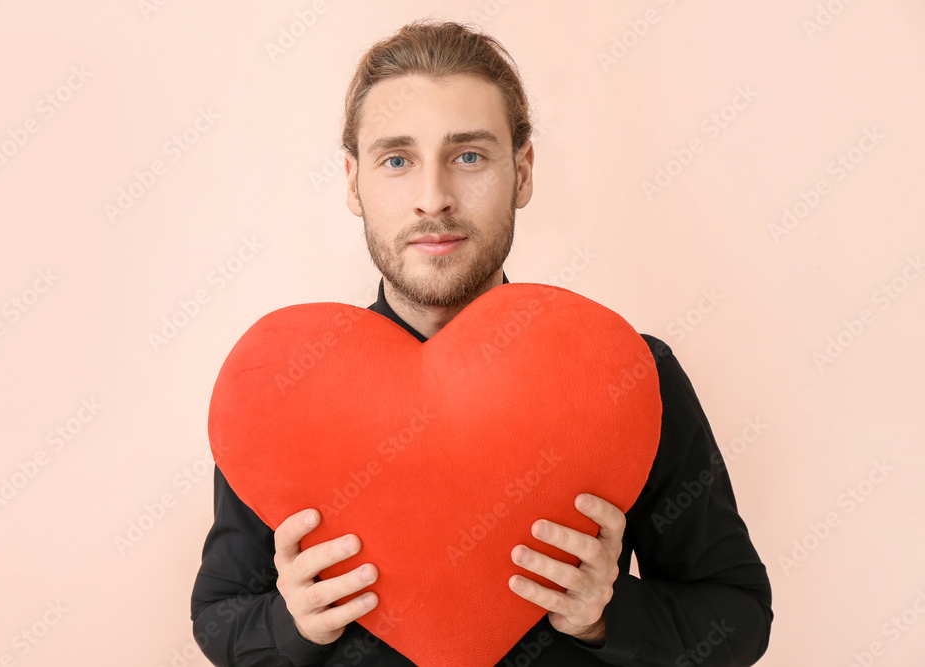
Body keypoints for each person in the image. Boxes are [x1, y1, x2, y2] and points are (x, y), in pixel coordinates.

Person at [191, 17, 773, 666]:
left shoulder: (631, 376)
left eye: (468, 155)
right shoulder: (281, 390)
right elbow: (218, 615)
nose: (433, 198)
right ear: (354, 182)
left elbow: (739, 614)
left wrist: (608, 615)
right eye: (397, 160)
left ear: (522, 171)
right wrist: (292, 622)